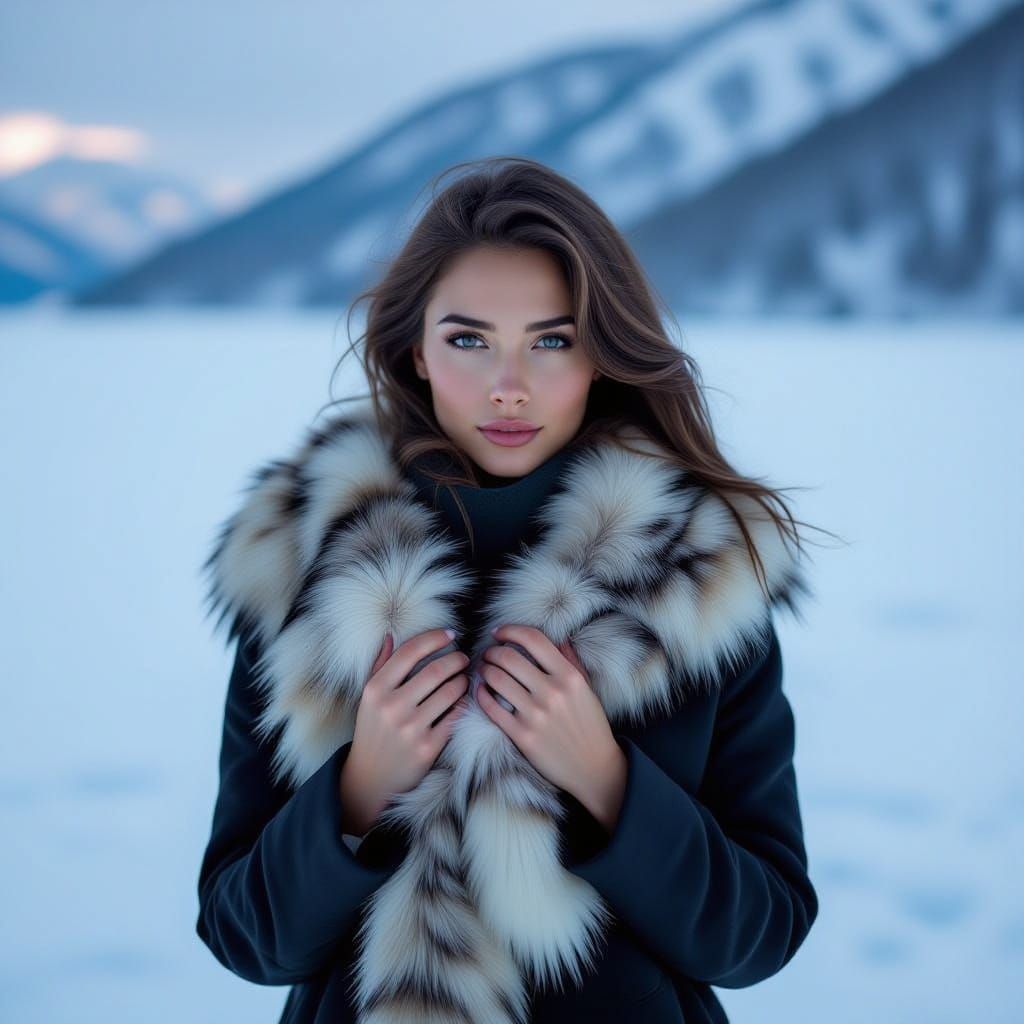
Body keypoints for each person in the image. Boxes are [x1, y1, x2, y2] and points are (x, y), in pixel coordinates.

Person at [195, 156, 827, 1023]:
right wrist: (359, 789)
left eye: (552, 341)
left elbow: (762, 933)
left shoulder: (696, 580)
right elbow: (243, 937)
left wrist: (608, 781)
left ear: (601, 354)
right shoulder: (303, 569)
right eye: (469, 340)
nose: (509, 386)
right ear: (415, 349)